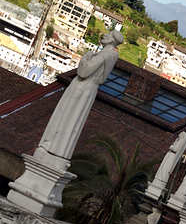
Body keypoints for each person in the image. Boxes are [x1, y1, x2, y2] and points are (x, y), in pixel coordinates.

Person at [37, 30, 123, 161]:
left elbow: (83, 72)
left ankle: (52, 145)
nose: (104, 35)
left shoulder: (104, 55)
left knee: (65, 115)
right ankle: (61, 149)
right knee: (73, 119)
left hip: (81, 87)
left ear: (112, 40)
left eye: (108, 34)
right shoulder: (113, 56)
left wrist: (85, 57)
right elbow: (102, 79)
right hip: (90, 90)